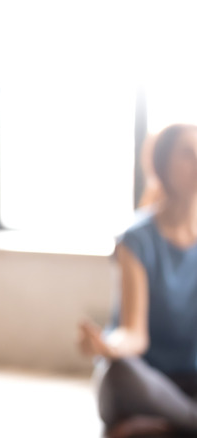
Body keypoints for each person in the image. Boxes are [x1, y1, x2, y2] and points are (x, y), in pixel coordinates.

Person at [79, 123, 197, 437]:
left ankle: (163, 427)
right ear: (163, 165)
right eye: (187, 153)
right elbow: (134, 333)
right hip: (146, 378)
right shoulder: (136, 240)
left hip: (192, 379)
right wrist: (108, 345)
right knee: (120, 374)